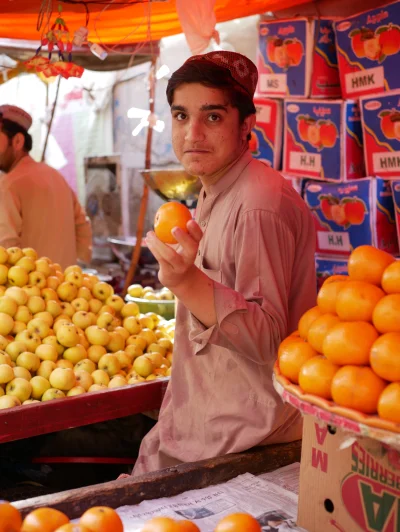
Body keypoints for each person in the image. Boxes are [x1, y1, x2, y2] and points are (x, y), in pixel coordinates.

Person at [132, 51, 316, 476]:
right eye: (181, 116)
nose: (192, 133)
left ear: (246, 126)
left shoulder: (258, 205)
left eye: (212, 117)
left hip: (247, 440)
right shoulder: (214, 187)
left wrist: (187, 282)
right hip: (206, 425)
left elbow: (269, 339)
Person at [0, 105, 92, 269]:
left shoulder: (8, 186)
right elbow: (82, 227)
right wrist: (76, 270)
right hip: (67, 288)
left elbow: (6, 248)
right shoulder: (55, 176)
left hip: (27, 292)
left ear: (18, 141)